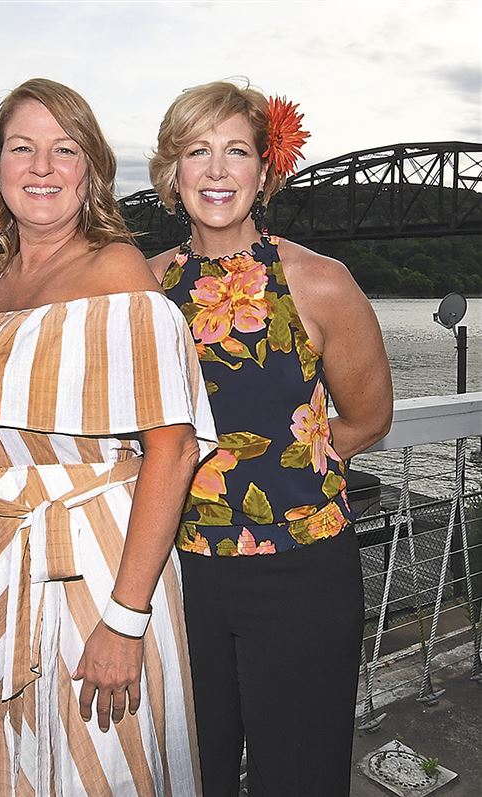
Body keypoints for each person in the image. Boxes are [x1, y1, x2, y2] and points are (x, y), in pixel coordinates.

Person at [0, 77, 217, 795]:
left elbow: (170, 450)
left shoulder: (115, 272)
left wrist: (124, 616)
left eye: (65, 150)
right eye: (24, 148)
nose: (43, 167)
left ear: (91, 172)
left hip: (94, 566)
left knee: (102, 767)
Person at [147, 80, 393, 796]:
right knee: (194, 776)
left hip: (303, 577)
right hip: (179, 577)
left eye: (236, 151)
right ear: (174, 172)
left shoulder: (319, 283)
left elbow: (369, 416)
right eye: (198, 151)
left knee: (300, 776)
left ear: (264, 169)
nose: (217, 170)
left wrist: (292, 465)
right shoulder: (142, 288)